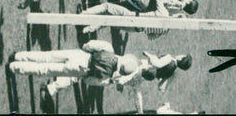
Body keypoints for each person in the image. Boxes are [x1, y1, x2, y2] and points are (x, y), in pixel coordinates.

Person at [9, 37, 143, 86]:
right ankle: (14, 67)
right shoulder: (106, 77)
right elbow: (88, 81)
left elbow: (91, 44)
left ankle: (19, 56)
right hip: (80, 70)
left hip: (81, 55)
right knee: (45, 70)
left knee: (47, 56)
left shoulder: (109, 49)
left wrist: (85, 49)